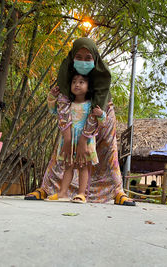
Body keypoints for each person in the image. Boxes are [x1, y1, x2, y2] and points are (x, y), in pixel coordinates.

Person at [24, 37, 135, 206]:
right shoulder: (67, 72)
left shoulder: (101, 77)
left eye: (88, 58)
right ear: (72, 57)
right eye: (79, 57)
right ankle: (47, 188)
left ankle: (117, 191)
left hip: (100, 116)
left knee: (109, 151)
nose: (83, 61)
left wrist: (84, 138)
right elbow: (61, 105)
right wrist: (68, 138)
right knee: (62, 153)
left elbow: (98, 107)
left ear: (95, 59)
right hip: (72, 123)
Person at [45, 73, 106, 203]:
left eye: (81, 82)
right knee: (68, 166)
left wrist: (101, 115)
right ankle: (62, 193)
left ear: (89, 87)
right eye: (74, 82)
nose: (77, 84)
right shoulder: (66, 103)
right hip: (69, 139)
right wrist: (52, 96)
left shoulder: (91, 105)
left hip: (85, 140)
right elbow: (52, 110)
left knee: (83, 166)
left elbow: (101, 123)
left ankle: (81, 194)